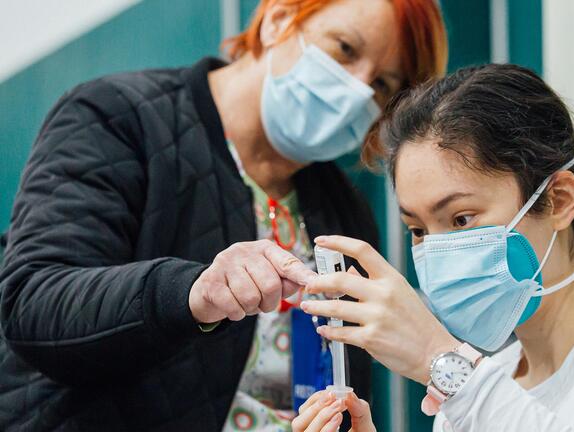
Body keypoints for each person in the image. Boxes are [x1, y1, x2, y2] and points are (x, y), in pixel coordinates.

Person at [0, 0, 447, 430]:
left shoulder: (342, 211)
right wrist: (190, 293)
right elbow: (33, 302)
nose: (357, 90)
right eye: (345, 49)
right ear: (278, 19)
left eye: (382, 85)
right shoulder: (121, 118)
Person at [294, 64, 574, 431]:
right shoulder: (475, 390)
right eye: (418, 230)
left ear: (559, 200)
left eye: (462, 219)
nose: (436, 252)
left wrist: (442, 361)